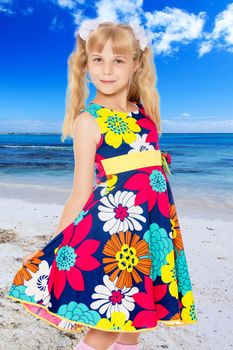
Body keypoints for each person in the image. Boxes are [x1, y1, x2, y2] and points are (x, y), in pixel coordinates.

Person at [7, 19, 198, 350]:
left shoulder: (145, 116)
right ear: (86, 63)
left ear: (136, 64)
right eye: (98, 59)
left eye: (118, 60)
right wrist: (53, 248)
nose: (107, 70)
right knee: (110, 324)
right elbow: (81, 192)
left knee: (134, 324)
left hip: (150, 235)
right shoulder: (88, 121)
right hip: (114, 235)